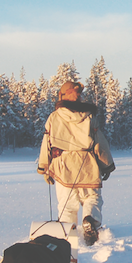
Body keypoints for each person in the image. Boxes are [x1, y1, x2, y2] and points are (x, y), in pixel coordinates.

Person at [37, 81, 115, 245]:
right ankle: (90, 220)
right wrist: (106, 164)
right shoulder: (89, 116)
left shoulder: (54, 117)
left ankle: (67, 239)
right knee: (92, 198)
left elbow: (47, 143)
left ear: (62, 96)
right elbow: (99, 142)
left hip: (62, 164)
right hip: (87, 162)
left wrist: (44, 167)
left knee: (67, 205)